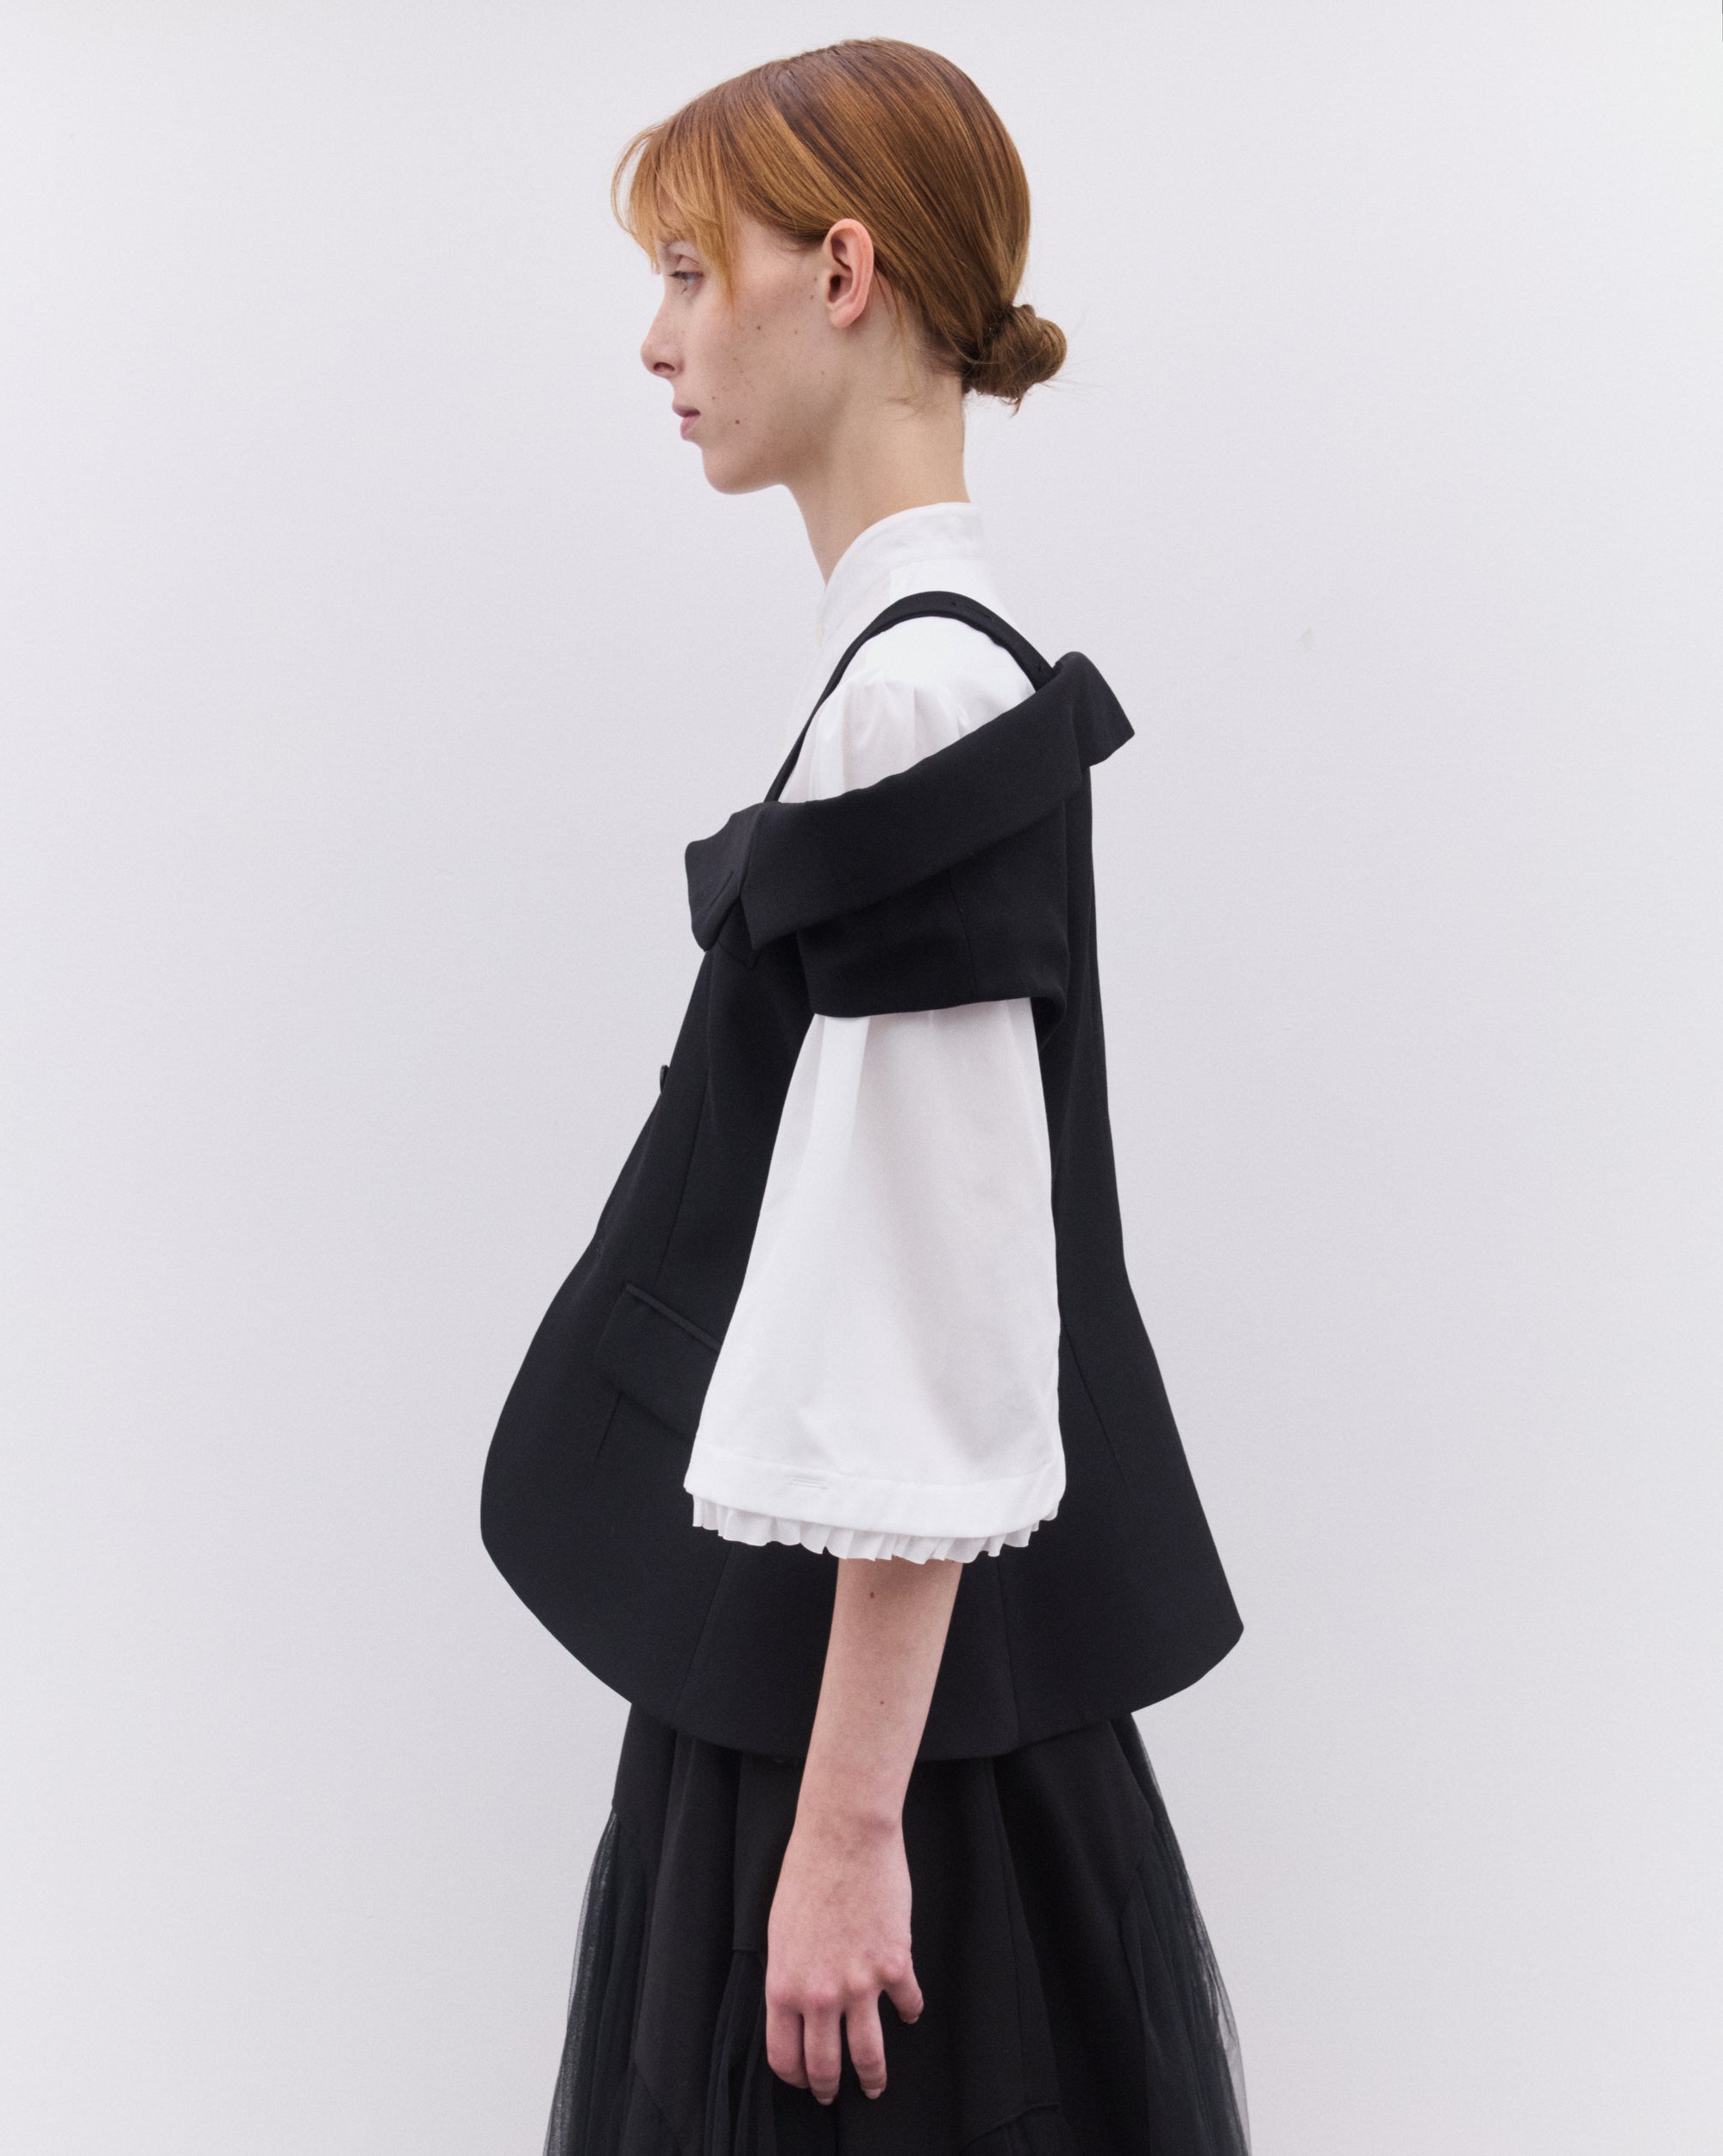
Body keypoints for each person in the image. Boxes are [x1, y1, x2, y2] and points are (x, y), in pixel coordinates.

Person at [481, 38, 1251, 2154]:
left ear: (839, 272)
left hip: (864, 1740)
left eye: (685, 269)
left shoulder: (917, 691)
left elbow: (930, 1295)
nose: (656, 340)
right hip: (856, 1687)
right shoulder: (917, 662)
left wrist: (837, 1831)